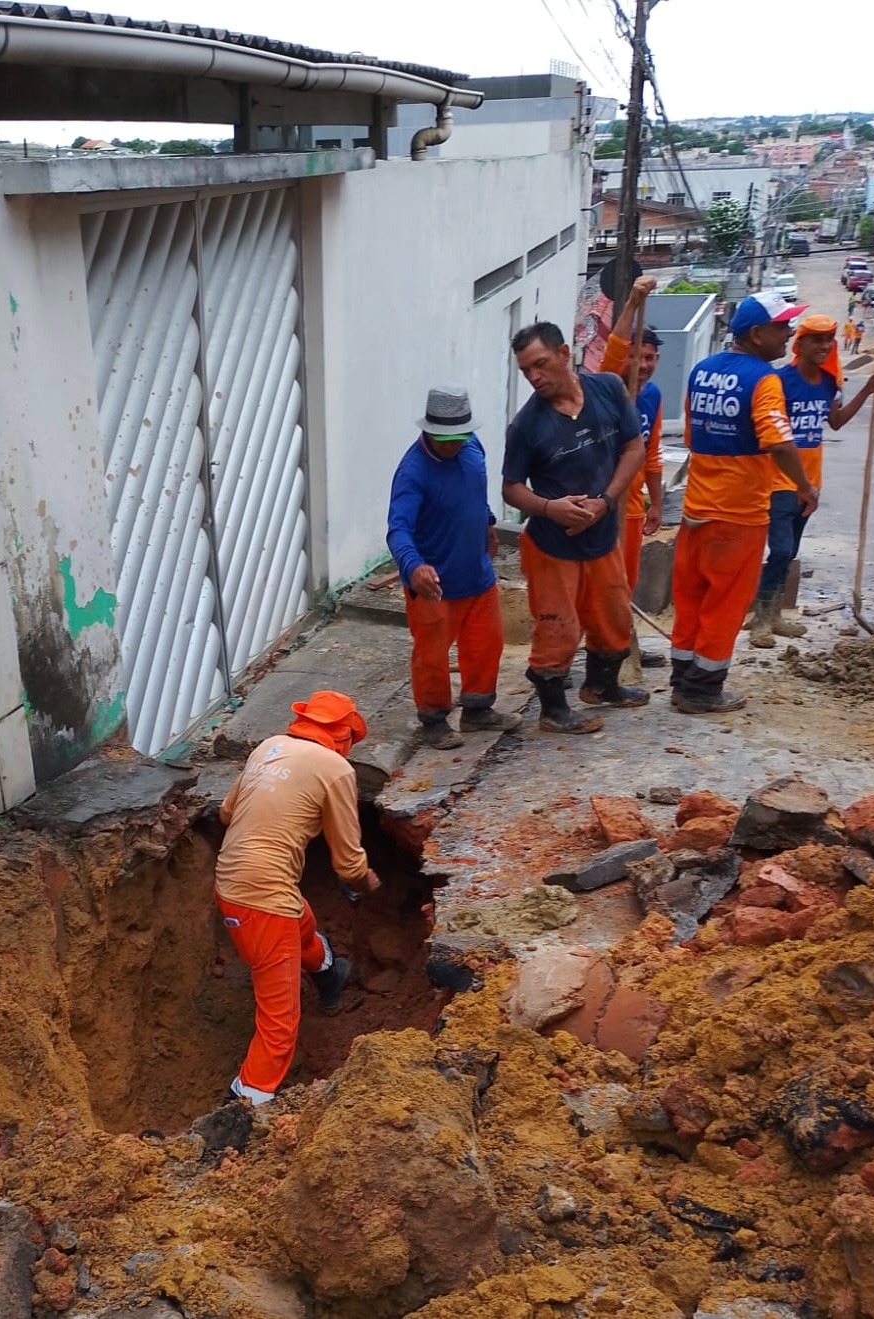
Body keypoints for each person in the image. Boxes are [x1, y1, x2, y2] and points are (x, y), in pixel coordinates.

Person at [215, 691, 381, 1105]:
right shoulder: (336, 769)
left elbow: (226, 813)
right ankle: (244, 1108)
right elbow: (348, 863)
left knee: (302, 925)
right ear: (343, 737)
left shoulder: (268, 746)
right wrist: (367, 883)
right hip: (263, 901)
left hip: (231, 884)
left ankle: (328, 975)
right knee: (279, 1023)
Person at [670, 292, 819, 714]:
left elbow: (692, 437)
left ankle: (682, 680)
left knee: (692, 601)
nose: (788, 334)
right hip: (740, 515)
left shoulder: (701, 371)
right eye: (781, 327)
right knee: (725, 605)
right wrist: (804, 486)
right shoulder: (764, 379)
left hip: (695, 510)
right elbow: (778, 441)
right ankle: (702, 692)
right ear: (756, 334)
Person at [502, 322, 648, 733]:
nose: (534, 377)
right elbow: (511, 489)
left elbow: (634, 448)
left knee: (613, 616)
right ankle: (553, 710)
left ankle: (601, 687)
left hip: (602, 537)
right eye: (526, 370)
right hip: (553, 545)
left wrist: (607, 500)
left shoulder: (607, 390)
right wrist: (550, 508)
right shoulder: (526, 426)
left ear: (565, 354)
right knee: (557, 627)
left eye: (541, 365)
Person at [387, 384, 522, 750]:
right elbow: (398, 529)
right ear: (428, 430)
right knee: (431, 654)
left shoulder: (472, 447)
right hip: (434, 583)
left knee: (486, 643)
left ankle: (478, 710)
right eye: (444, 438)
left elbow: (476, 491)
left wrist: (489, 522)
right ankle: (433, 719)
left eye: (459, 437)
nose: (452, 445)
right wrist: (413, 567)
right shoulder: (413, 472)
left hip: (476, 573)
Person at [751, 314, 874, 646]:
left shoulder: (828, 383)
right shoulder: (780, 381)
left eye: (829, 340)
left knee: (791, 549)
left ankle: (776, 615)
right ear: (800, 344)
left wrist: (867, 390)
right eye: (817, 339)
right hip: (780, 481)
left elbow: (836, 422)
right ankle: (760, 620)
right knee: (780, 550)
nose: (824, 346)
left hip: (811, 483)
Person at [598, 275, 666, 666]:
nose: (643, 365)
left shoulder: (653, 397)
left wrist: (656, 503)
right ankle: (597, 651)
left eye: (651, 358)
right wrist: (634, 300)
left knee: (626, 581)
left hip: (633, 507)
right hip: (601, 503)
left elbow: (651, 453)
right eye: (637, 356)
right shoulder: (606, 386)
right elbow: (616, 345)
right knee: (599, 583)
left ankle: (623, 645)